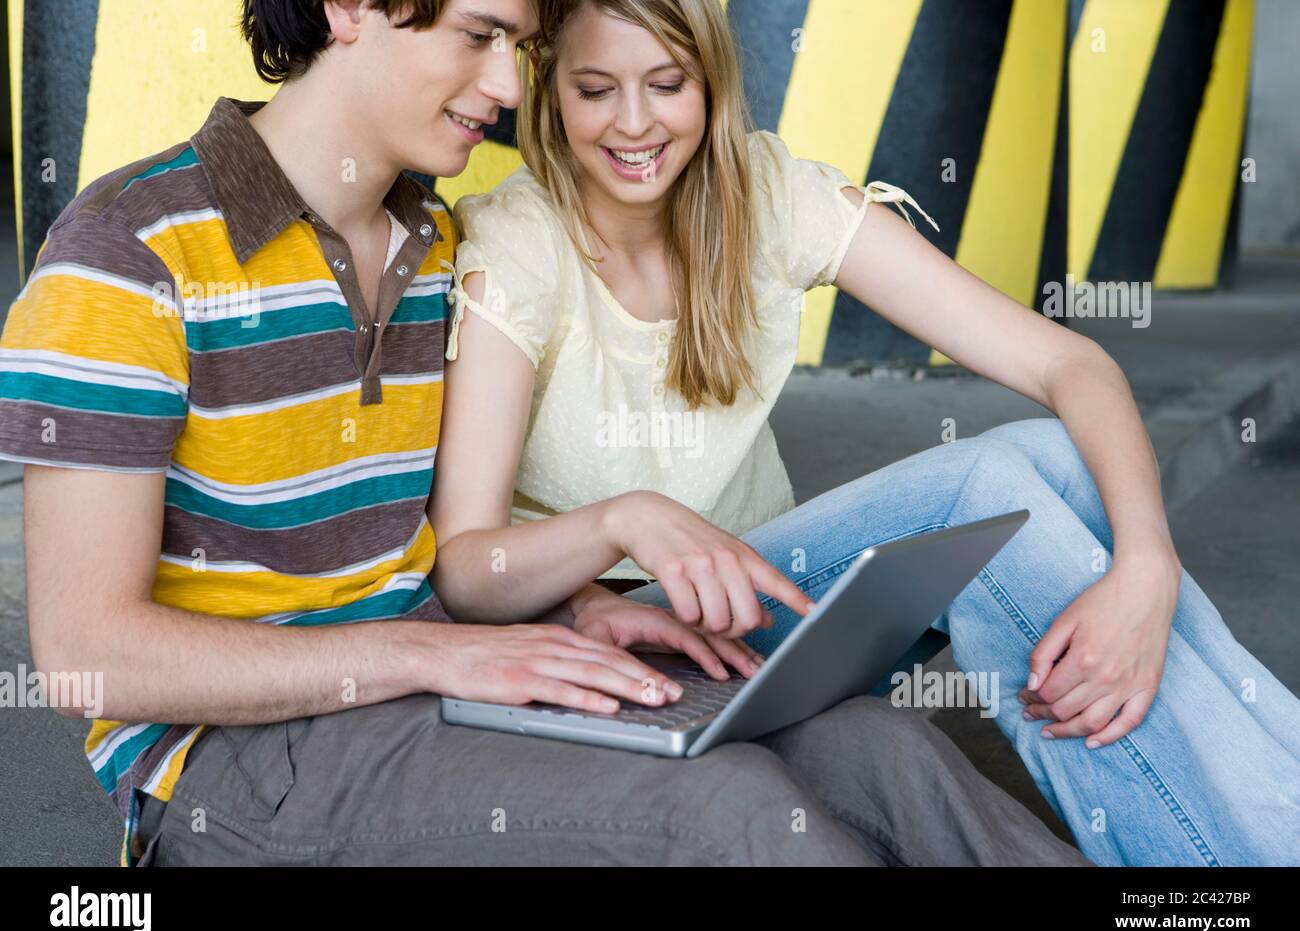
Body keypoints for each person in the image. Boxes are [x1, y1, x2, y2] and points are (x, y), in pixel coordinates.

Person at [0, 0, 1088, 867]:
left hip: (433, 685)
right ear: (347, 10)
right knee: (729, 812)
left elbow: (421, 543)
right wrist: (437, 649)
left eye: (519, 46)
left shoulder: (431, 246)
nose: (509, 87)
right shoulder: (127, 251)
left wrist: (581, 611)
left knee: (883, 751)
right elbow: (90, 658)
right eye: (478, 36)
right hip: (238, 769)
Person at [430, 0, 1300, 865]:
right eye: (594, 89)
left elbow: (1067, 365)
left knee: (1063, 458)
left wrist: (1150, 561)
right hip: (631, 631)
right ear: (548, 91)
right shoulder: (519, 244)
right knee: (987, 493)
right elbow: (468, 566)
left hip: (772, 606)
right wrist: (625, 519)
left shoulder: (768, 196)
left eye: (666, 84)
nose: (633, 122)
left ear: (712, 84)